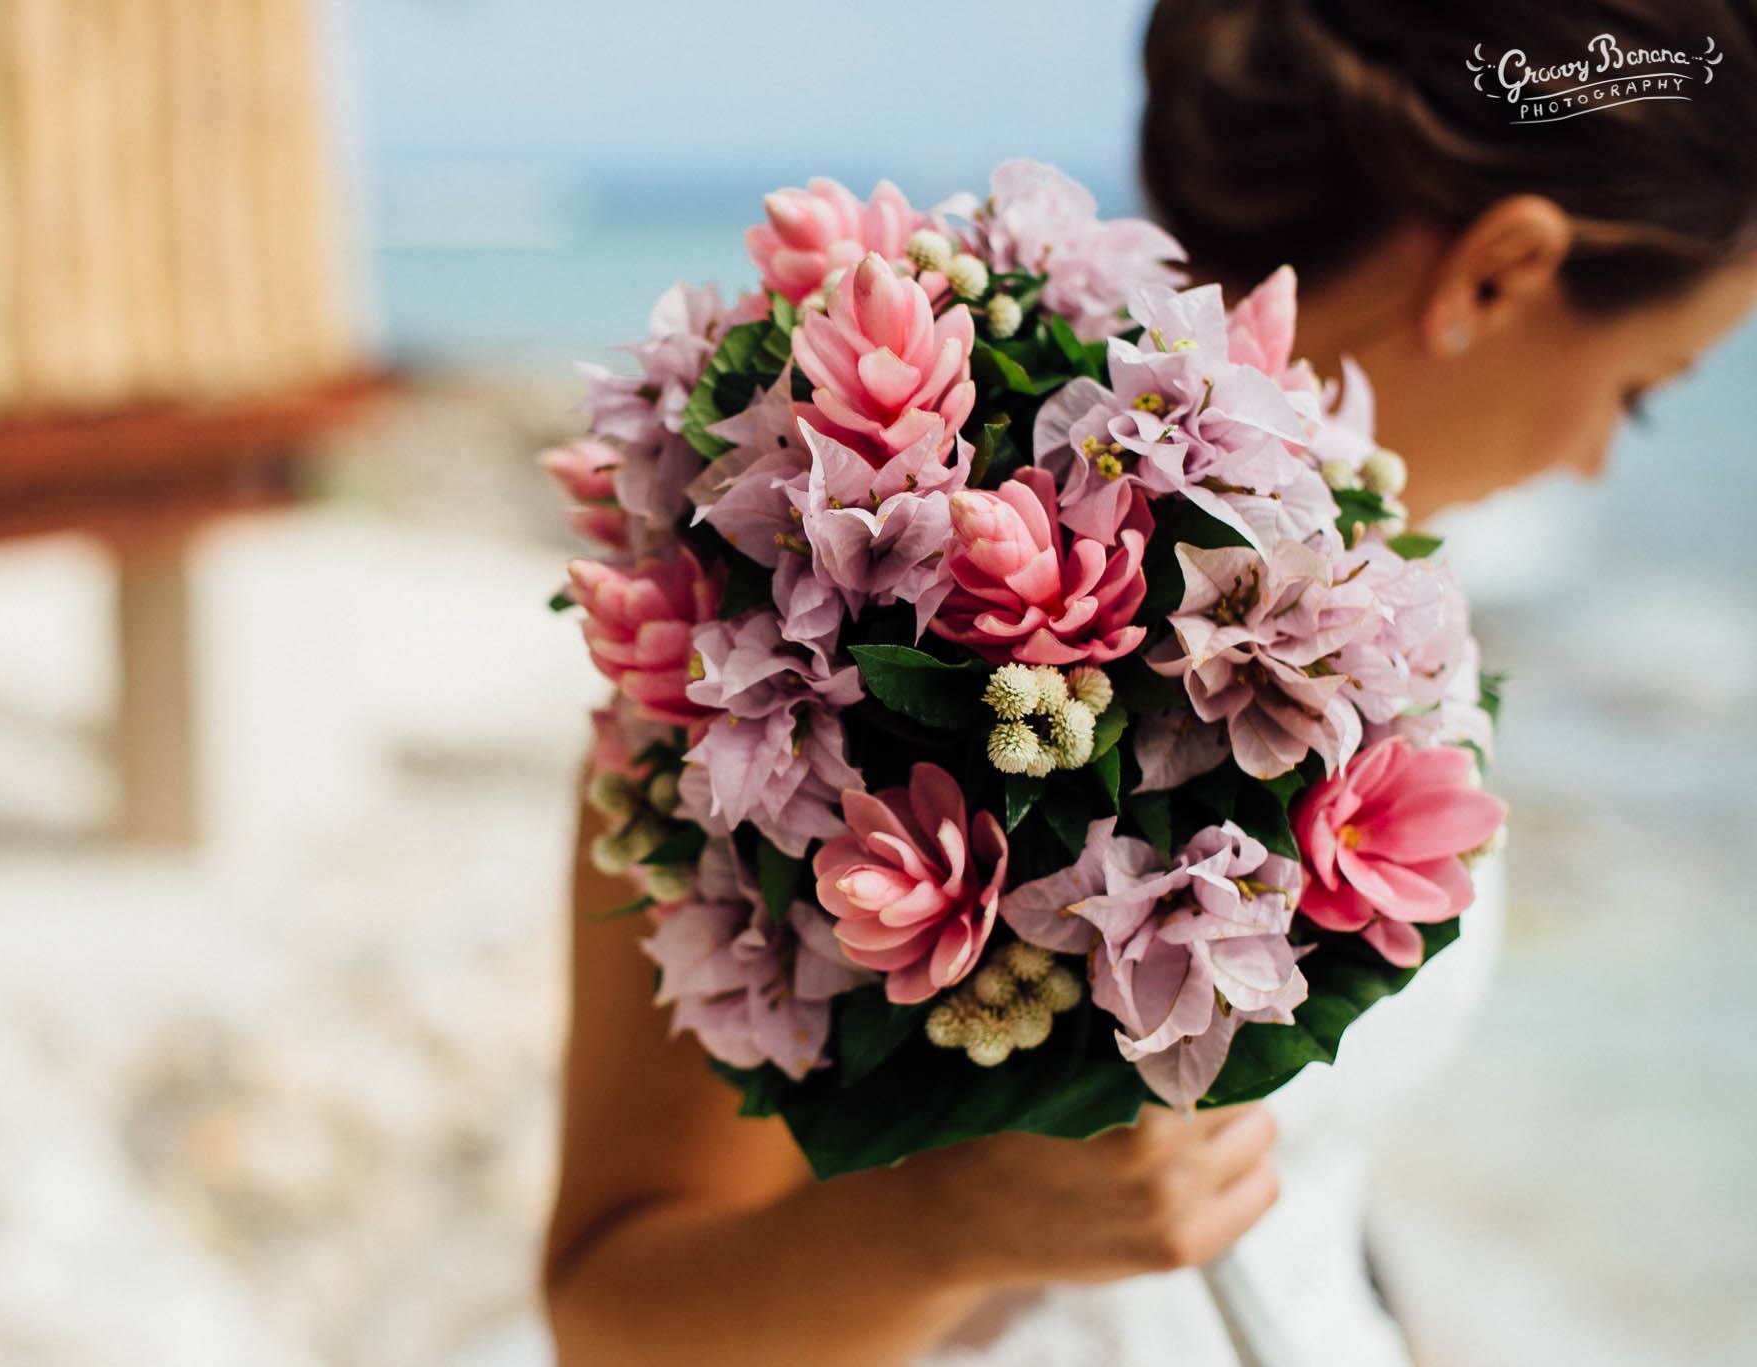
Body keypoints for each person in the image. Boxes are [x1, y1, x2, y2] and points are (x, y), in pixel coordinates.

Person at [544, 2, 1757, 1363]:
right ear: (1499, 275)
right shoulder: (792, 648)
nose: (1598, 461)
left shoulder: (1394, 635)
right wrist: (945, 1222)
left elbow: (1316, 1177)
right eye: (1642, 390)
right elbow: (611, 1323)